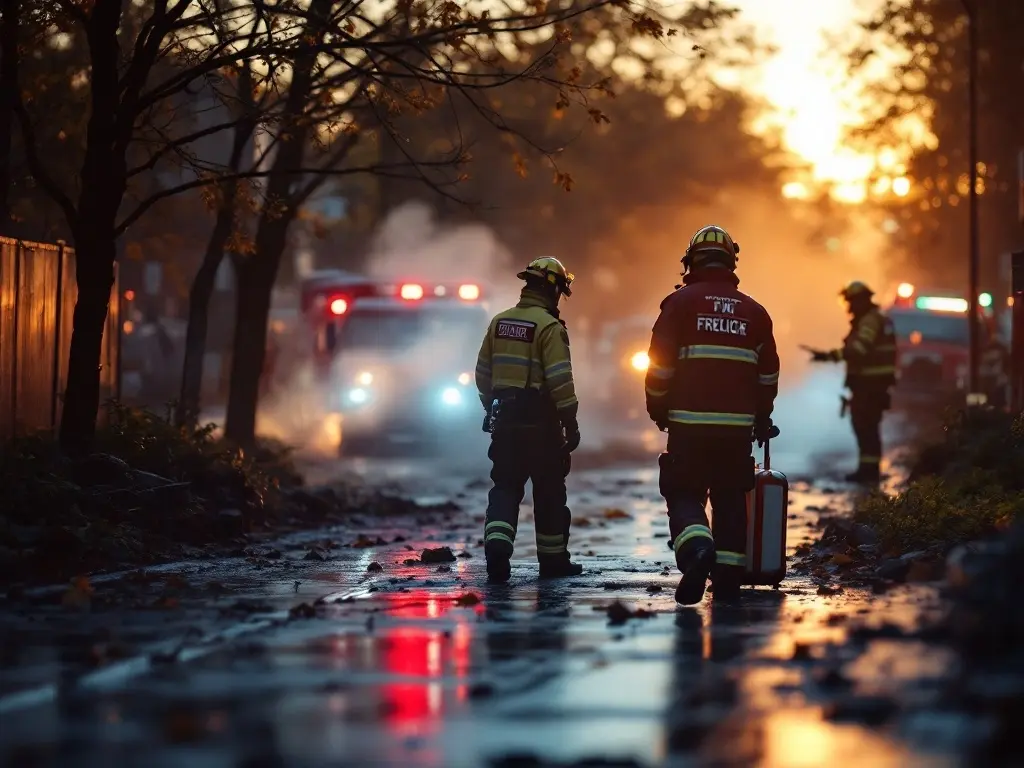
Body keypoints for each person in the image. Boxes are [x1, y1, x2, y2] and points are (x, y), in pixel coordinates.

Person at [645, 225, 780, 605]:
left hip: (687, 427)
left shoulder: (679, 304)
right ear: (731, 263)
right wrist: (761, 416)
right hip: (736, 431)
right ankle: (728, 581)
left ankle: (697, 550)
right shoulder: (755, 312)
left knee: (683, 492)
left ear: (691, 262)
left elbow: (659, 366)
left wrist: (657, 406)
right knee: (731, 499)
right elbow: (768, 374)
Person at [475, 257, 583, 584]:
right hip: (541, 425)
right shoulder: (549, 327)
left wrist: (490, 406)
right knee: (549, 492)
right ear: (553, 290)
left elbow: (483, 373)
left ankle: (497, 546)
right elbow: (560, 380)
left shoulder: (499, 322)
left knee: (505, 487)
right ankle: (553, 561)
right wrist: (570, 421)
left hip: (506, 422)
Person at [808, 281, 897, 483]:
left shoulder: (870, 321)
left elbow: (859, 349)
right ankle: (867, 471)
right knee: (866, 427)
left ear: (861, 300)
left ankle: (868, 474)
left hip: (870, 385)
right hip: (871, 384)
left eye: (851, 302)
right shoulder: (874, 318)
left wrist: (828, 356)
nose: (849, 307)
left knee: (866, 427)